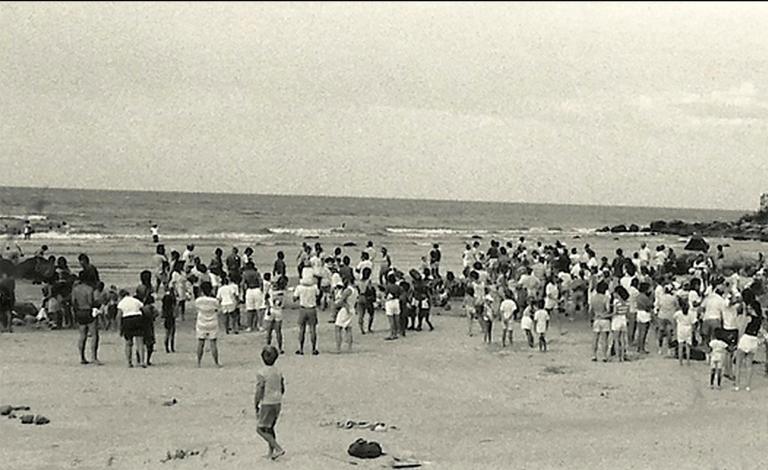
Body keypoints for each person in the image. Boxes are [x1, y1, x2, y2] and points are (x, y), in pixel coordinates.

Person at [254, 345, 286, 461]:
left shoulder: (261, 372)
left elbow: (259, 389)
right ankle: (271, 451)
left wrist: (256, 403)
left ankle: (278, 448)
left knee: (260, 429)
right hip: (277, 401)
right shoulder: (278, 371)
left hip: (267, 402)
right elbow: (282, 387)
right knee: (270, 427)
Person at [734, 294, 762, 392]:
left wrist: (738, 341)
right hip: (753, 341)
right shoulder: (759, 319)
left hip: (745, 339)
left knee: (738, 364)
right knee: (749, 365)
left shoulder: (748, 318)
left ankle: (737, 385)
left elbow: (742, 329)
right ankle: (748, 385)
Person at [71, 271, 100, 365]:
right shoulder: (89, 289)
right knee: (94, 335)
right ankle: (94, 357)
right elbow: (91, 301)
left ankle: (82, 357)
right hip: (88, 311)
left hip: (80, 311)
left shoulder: (75, 289)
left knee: (82, 335)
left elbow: (73, 302)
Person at [117, 289, 146, 368]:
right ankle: (142, 361)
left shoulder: (121, 303)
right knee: (140, 342)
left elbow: (119, 316)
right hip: (137, 318)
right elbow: (143, 309)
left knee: (128, 343)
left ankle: (129, 362)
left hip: (127, 320)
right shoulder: (135, 300)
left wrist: (120, 328)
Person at [293, 269, 319, 355]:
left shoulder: (299, 287)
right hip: (312, 309)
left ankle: (301, 348)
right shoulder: (314, 287)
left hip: (303, 308)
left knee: (301, 330)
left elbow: (294, 298)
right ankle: (314, 348)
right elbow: (318, 294)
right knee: (313, 329)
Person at [195, 281, 221, 367]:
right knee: (213, 343)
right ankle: (216, 362)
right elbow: (217, 309)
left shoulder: (198, 300)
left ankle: (199, 362)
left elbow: (197, 308)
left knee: (200, 342)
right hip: (212, 321)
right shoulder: (214, 301)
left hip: (201, 322)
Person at [334, 274, 358, 353]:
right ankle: (349, 348)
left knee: (338, 328)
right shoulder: (355, 290)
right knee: (348, 329)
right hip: (351, 308)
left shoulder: (348, 290)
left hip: (345, 309)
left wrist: (336, 304)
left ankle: (338, 348)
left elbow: (342, 300)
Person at [590, 281, 611, 362]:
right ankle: (604, 356)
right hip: (604, 319)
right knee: (604, 339)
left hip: (596, 318)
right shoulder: (606, 298)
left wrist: (591, 319)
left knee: (595, 338)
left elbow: (591, 310)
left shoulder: (593, 298)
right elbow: (608, 309)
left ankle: (594, 355)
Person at [265, 275, 286, 354]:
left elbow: (266, 298)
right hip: (279, 311)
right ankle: (280, 348)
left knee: (269, 331)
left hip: (271, 310)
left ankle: (268, 346)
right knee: (278, 331)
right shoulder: (283, 292)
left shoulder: (270, 291)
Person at [242, 262, 265, 332]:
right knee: (259, 309)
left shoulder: (245, 274)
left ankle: (249, 326)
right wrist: (262, 290)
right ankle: (260, 325)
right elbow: (261, 282)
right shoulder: (256, 273)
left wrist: (244, 292)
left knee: (250, 309)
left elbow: (243, 284)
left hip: (249, 290)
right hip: (257, 289)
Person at [673, 300, 695, 366]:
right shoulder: (691, 313)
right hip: (688, 328)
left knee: (680, 346)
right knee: (688, 346)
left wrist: (675, 325)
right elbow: (694, 322)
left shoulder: (678, 313)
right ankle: (688, 361)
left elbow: (674, 318)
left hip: (680, 328)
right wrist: (693, 330)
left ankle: (680, 362)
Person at [611, 286, 630, 362]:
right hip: (623, 319)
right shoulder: (627, 302)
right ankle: (622, 356)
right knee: (622, 340)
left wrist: (606, 315)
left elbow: (615, 312)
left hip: (617, 320)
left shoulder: (616, 301)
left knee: (616, 339)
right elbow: (627, 312)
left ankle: (618, 356)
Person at [357, 267, 376, 335]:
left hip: (360, 297)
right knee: (371, 313)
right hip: (366, 298)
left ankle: (361, 328)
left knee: (361, 314)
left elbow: (358, 290)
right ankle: (369, 328)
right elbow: (370, 290)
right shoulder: (368, 281)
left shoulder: (359, 282)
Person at [383, 273, 402, 340]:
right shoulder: (397, 286)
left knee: (391, 319)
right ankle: (397, 332)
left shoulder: (388, 286)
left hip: (390, 302)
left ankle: (392, 333)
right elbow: (400, 293)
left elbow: (385, 294)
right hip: (396, 302)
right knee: (397, 318)